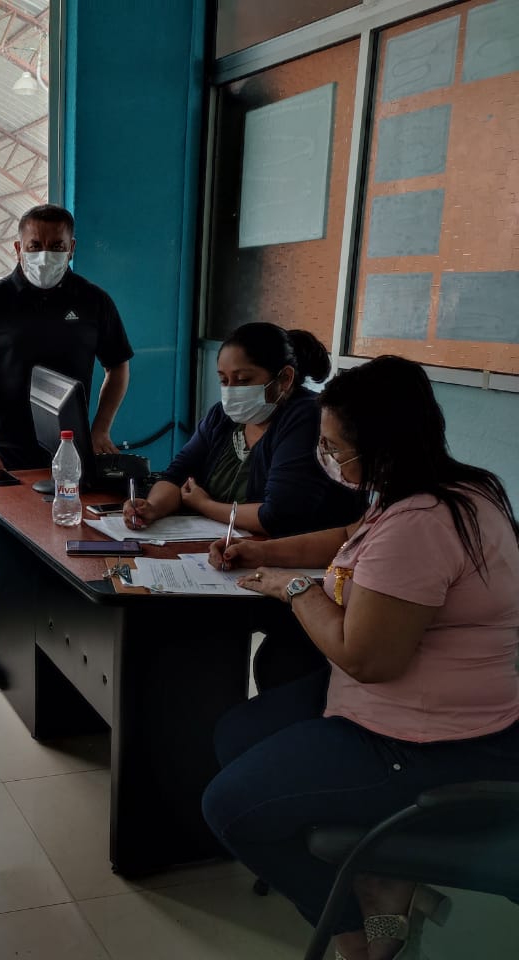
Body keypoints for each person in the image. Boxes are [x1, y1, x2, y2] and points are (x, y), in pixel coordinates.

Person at [201, 356, 519, 960]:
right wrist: (261, 552)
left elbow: (366, 658)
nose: (325, 457)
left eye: (334, 448)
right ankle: (375, 863)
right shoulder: (441, 490)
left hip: (431, 742)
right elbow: (350, 539)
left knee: (229, 807)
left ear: (382, 446)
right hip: (403, 710)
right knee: (237, 734)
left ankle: (358, 931)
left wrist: (296, 589)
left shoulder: (421, 524)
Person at [0, 203, 133, 686]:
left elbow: (118, 367)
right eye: (35, 246)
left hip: (71, 452)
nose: (45, 255)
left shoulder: (94, 301)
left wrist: (101, 429)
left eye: (56, 246)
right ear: (18, 247)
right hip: (4, 456)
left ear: (73, 249)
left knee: (76, 548)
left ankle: (66, 655)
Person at [123, 322, 363, 539]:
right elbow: (176, 476)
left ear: (285, 378)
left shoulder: (307, 417)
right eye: (224, 381)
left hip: (289, 556)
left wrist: (205, 505)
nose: (231, 391)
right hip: (218, 549)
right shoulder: (222, 417)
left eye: (243, 380)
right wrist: (152, 507)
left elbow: (278, 517)